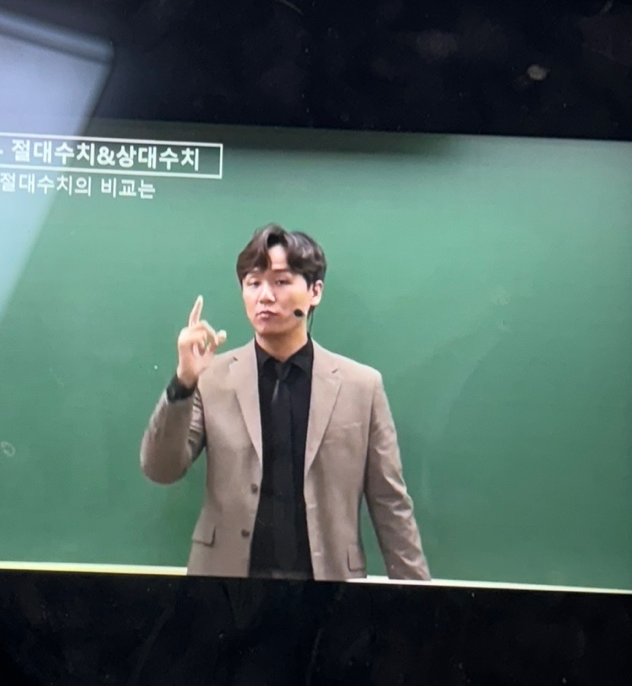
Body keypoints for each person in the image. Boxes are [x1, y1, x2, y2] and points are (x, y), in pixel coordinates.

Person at [140, 223, 429, 582]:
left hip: (329, 588)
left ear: (315, 291)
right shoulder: (211, 379)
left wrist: (420, 598)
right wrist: (183, 382)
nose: (265, 296)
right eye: (253, 283)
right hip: (226, 588)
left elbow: (390, 503)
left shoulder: (361, 386)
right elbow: (161, 469)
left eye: (280, 282)